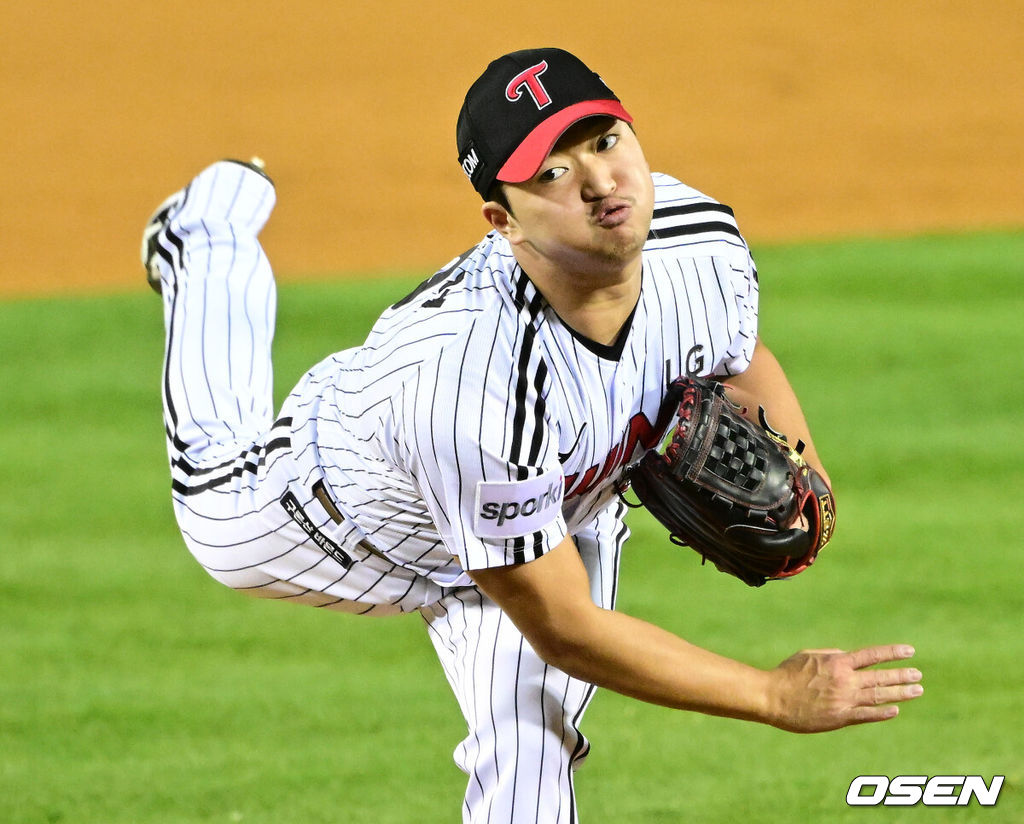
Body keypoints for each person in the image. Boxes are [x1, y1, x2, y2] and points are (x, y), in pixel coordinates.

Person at [143, 47, 923, 823]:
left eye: (606, 141)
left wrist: (807, 481)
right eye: (551, 172)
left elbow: (737, 350)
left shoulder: (699, 240)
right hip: (337, 518)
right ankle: (203, 239)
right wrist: (771, 694)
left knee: (531, 761)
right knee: (213, 479)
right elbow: (566, 628)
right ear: (502, 220)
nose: (599, 182)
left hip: (545, 525)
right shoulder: (475, 389)